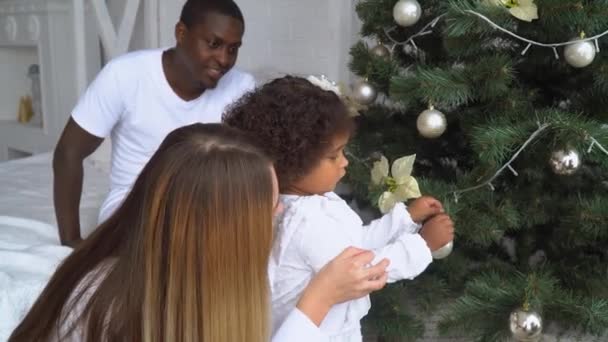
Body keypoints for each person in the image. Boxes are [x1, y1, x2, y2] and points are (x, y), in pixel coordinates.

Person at [10, 123, 390, 342]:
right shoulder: (109, 304)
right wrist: (317, 300)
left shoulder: (184, 285)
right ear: (224, 232)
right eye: (273, 204)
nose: (282, 212)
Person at [224, 76, 455, 341]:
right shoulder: (308, 222)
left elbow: (355, 244)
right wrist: (422, 245)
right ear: (292, 163)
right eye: (333, 156)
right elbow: (365, 271)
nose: (344, 163)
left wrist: (405, 219)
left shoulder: (310, 202)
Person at [53, 0, 255, 247]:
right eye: (214, 44)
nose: (224, 59)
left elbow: (253, 166)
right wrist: (71, 240)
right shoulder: (125, 75)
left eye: (233, 49)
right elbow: (68, 152)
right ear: (181, 33)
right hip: (133, 206)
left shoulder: (242, 87)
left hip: (207, 208)